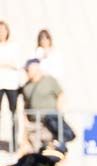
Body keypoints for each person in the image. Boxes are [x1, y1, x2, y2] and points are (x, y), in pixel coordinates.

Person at [19, 58, 64, 151]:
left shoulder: (49, 80)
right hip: (34, 123)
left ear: (35, 69)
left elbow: (60, 94)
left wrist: (58, 112)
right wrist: (26, 121)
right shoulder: (26, 86)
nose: (27, 72)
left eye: (28, 70)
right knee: (34, 148)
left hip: (49, 122)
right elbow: (25, 104)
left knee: (50, 148)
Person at [0, 22, 22, 151]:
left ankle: (14, 142)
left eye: (3, 30)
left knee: (14, 113)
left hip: (11, 84)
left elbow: (17, 63)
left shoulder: (13, 46)